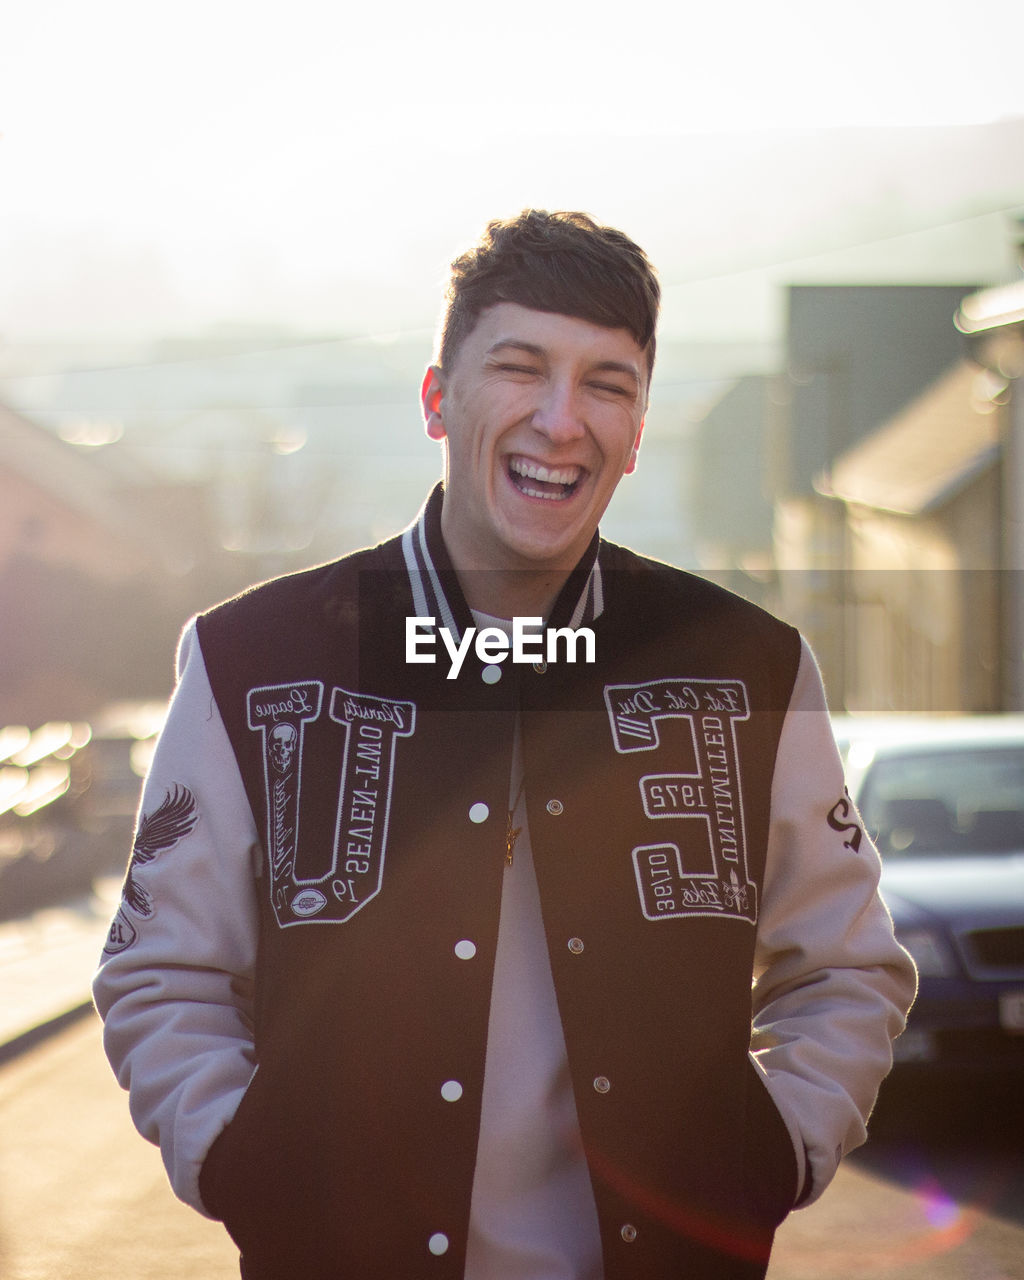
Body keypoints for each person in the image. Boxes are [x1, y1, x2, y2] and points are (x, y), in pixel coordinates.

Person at [93, 209, 916, 1280]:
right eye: (520, 368)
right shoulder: (251, 657)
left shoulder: (750, 667)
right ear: (440, 399)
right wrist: (243, 1161)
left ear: (638, 424)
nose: (561, 419)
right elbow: (161, 970)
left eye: (607, 383)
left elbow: (849, 966)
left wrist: (777, 1145)